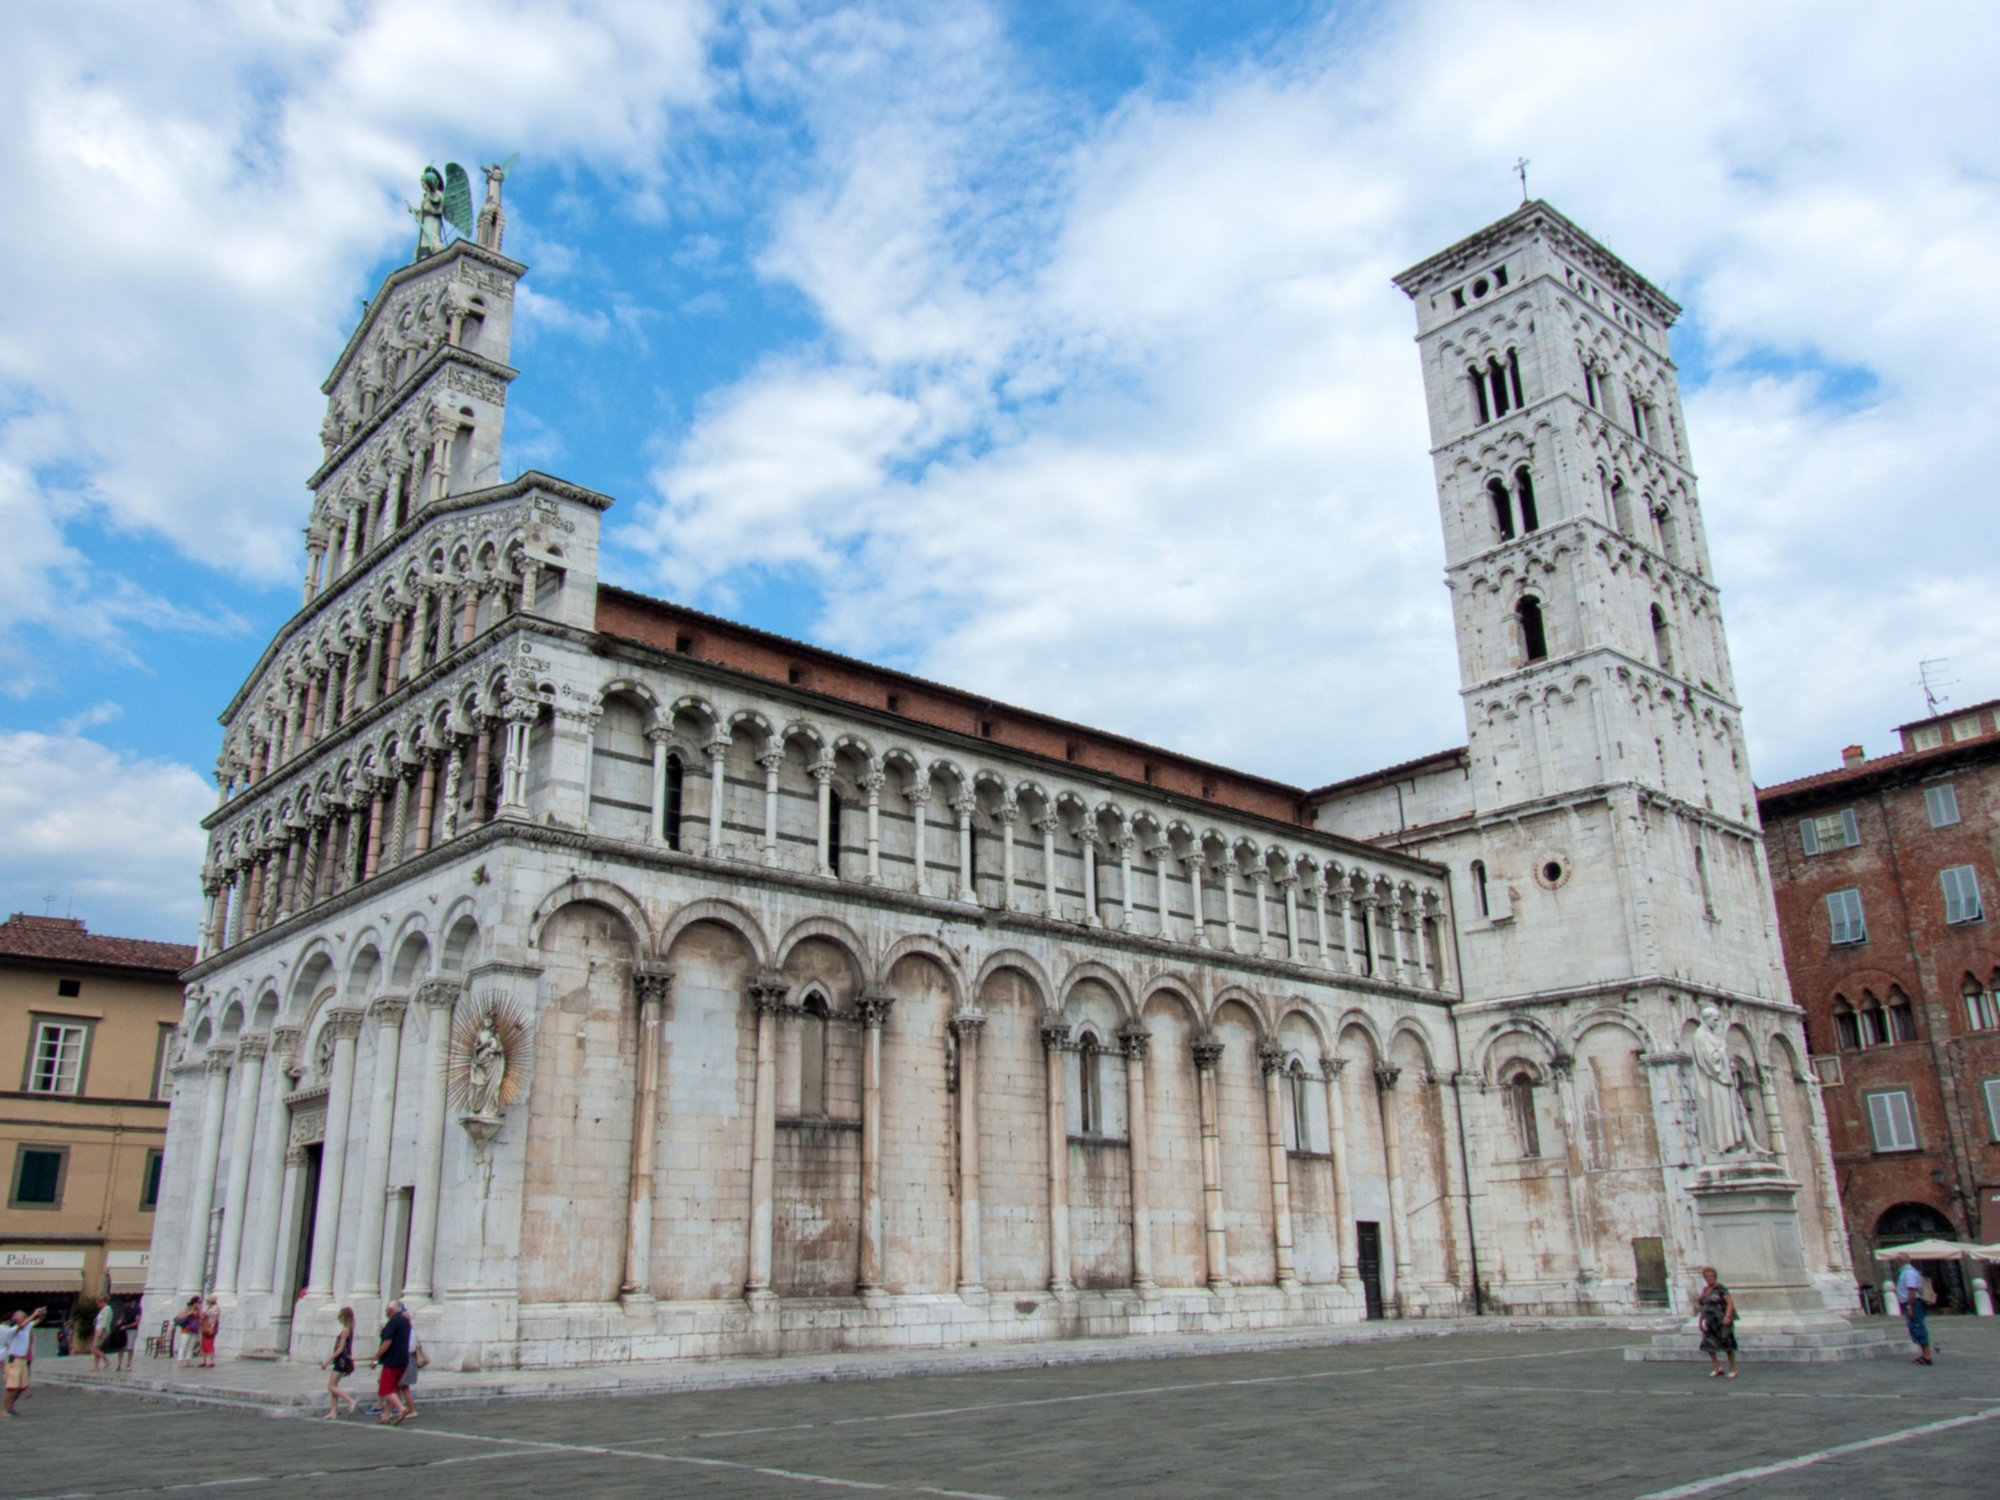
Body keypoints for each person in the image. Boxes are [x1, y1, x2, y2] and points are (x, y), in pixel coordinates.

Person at [1694, 1266, 1738, 1379]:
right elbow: (1703, 1306)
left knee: (1727, 1344)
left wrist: (1728, 1316)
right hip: (1710, 1321)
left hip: (1722, 1320)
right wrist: (1700, 1321)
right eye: (1707, 1276)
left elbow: (1729, 1302)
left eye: (1712, 1276)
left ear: (1715, 1277)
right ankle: (1717, 1366)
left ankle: (1733, 1368)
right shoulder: (1705, 1290)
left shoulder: (1721, 1288)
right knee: (1708, 1345)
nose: (1710, 1278)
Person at [372, 1301, 412, 1424]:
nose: (385, 1311)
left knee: (386, 1388)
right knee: (392, 1388)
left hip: (392, 1360)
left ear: (391, 1310)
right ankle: (386, 1415)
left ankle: (401, 1408)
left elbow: (387, 1342)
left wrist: (376, 1357)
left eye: (386, 1309)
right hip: (403, 1360)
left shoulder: (393, 1321)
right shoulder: (405, 1321)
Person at [2, 1308, 45, 1417]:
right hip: (13, 1360)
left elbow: (39, 1321)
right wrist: (33, 1314)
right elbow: (21, 1326)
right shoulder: (12, 1329)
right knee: (12, 1387)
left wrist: (41, 1314)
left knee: (22, 1386)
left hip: (22, 1360)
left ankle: (10, 1406)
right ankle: (3, 1410)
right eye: (23, 1316)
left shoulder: (27, 1327)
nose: (25, 1317)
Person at [1894, 1253, 1935, 1364]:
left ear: (1900, 1260)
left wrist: (1909, 1306)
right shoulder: (1907, 1272)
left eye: (1897, 1260)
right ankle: (1924, 1354)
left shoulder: (1908, 1273)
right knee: (1915, 1328)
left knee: (1918, 1327)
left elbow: (1912, 1290)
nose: (1896, 1262)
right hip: (1912, 1303)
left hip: (1914, 1304)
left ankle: (1927, 1356)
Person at [320, 1307, 358, 1419]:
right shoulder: (350, 1329)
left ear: (344, 1317)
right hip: (344, 1359)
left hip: (341, 1360)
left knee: (331, 1387)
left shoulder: (345, 1330)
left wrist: (328, 1360)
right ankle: (333, 1412)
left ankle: (350, 1401)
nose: (339, 1318)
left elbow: (340, 1348)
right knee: (334, 1386)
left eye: (340, 1316)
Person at [396, 1304, 422, 1418]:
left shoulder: (409, 1331)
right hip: (406, 1358)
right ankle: (399, 1408)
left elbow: (410, 1347)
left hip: (407, 1359)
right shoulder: (410, 1330)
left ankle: (411, 1410)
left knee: (404, 1386)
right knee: (399, 1386)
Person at [174, 1296, 201, 1366]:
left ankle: (188, 1361)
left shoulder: (198, 1311)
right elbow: (179, 1317)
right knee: (183, 1346)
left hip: (194, 1330)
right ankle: (180, 1360)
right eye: (197, 1302)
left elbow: (200, 1318)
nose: (198, 1304)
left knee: (191, 1347)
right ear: (194, 1303)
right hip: (186, 1330)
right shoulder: (187, 1309)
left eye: (199, 1303)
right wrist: (189, 1313)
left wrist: (200, 1310)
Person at [113, 1302, 139, 1372]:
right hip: (123, 1330)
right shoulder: (126, 1309)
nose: (126, 1305)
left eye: (127, 1303)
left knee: (130, 1347)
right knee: (121, 1347)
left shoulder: (137, 1309)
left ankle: (128, 1364)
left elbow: (136, 1322)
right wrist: (119, 1322)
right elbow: (122, 1317)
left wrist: (126, 1326)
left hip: (132, 1330)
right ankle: (119, 1365)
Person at [90, 1299, 113, 1372]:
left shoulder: (107, 1309)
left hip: (102, 1330)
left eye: (98, 1304)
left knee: (94, 1348)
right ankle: (96, 1366)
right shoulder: (103, 1310)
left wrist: (100, 1330)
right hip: (99, 1329)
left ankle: (106, 1360)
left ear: (102, 1302)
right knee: (97, 1347)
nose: (98, 1306)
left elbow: (104, 1321)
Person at [199, 1296, 220, 1367]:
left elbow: (214, 1317)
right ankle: (204, 1360)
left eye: (208, 1300)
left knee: (209, 1344)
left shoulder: (215, 1308)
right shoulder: (209, 1308)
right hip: (205, 1327)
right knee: (204, 1344)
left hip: (209, 1326)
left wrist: (212, 1326)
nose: (207, 1302)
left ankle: (211, 1361)